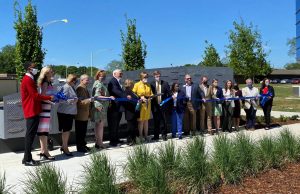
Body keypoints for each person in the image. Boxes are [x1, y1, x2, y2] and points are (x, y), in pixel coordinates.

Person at [20, 62, 53, 166]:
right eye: (34, 67)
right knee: (29, 136)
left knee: (30, 135)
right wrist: (49, 97)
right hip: (32, 110)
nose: (36, 69)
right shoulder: (28, 79)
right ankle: (27, 160)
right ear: (29, 68)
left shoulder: (29, 79)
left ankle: (26, 158)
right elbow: (35, 96)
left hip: (32, 110)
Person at [107, 69, 131, 147]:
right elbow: (116, 91)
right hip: (114, 107)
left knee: (116, 124)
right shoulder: (113, 81)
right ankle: (113, 141)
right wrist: (125, 96)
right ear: (114, 74)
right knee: (113, 124)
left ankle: (116, 139)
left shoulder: (117, 81)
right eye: (120, 73)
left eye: (121, 73)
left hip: (118, 107)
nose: (121, 74)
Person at [36, 66, 55, 160]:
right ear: (47, 73)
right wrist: (52, 102)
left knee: (43, 131)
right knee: (43, 131)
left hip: (46, 108)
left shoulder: (48, 82)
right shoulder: (45, 82)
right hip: (44, 109)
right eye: (51, 71)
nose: (52, 72)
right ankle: (45, 152)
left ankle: (43, 151)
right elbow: (43, 96)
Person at [57, 74, 78, 156]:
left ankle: (64, 146)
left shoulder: (71, 87)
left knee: (67, 130)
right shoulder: (66, 87)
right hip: (65, 112)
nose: (75, 82)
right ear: (71, 80)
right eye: (74, 81)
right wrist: (72, 100)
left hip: (69, 112)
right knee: (66, 130)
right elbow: (61, 99)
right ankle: (65, 147)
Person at [92, 70, 113, 149]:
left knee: (98, 125)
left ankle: (98, 143)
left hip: (99, 106)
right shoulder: (98, 84)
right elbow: (97, 96)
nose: (103, 77)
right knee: (100, 126)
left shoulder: (98, 83)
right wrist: (109, 98)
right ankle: (100, 143)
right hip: (100, 107)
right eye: (101, 76)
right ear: (97, 76)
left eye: (104, 76)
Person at [75, 74, 94, 153]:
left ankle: (83, 145)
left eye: (88, 79)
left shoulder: (84, 88)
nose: (88, 81)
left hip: (84, 114)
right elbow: (80, 102)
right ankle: (80, 147)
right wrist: (89, 100)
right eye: (86, 80)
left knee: (83, 131)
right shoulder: (80, 88)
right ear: (81, 80)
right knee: (80, 131)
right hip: (80, 114)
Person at [132, 72, 153, 141]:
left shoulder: (148, 85)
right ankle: (140, 136)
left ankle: (146, 136)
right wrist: (140, 97)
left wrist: (151, 97)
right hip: (141, 105)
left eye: (147, 77)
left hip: (147, 105)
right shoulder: (137, 84)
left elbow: (151, 94)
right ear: (141, 77)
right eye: (144, 77)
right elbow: (133, 93)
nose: (146, 78)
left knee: (146, 121)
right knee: (141, 121)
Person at [150, 71, 171, 141]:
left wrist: (172, 97)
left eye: (158, 76)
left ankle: (164, 135)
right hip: (155, 106)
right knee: (156, 121)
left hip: (163, 105)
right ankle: (156, 136)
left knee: (163, 121)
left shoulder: (165, 83)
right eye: (156, 76)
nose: (157, 77)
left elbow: (169, 94)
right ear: (154, 76)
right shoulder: (151, 84)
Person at [124, 79, 139, 145]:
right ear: (130, 84)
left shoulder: (132, 91)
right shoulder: (126, 92)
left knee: (133, 126)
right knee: (130, 127)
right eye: (132, 84)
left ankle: (134, 140)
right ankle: (129, 141)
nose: (133, 85)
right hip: (130, 112)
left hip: (134, 111)